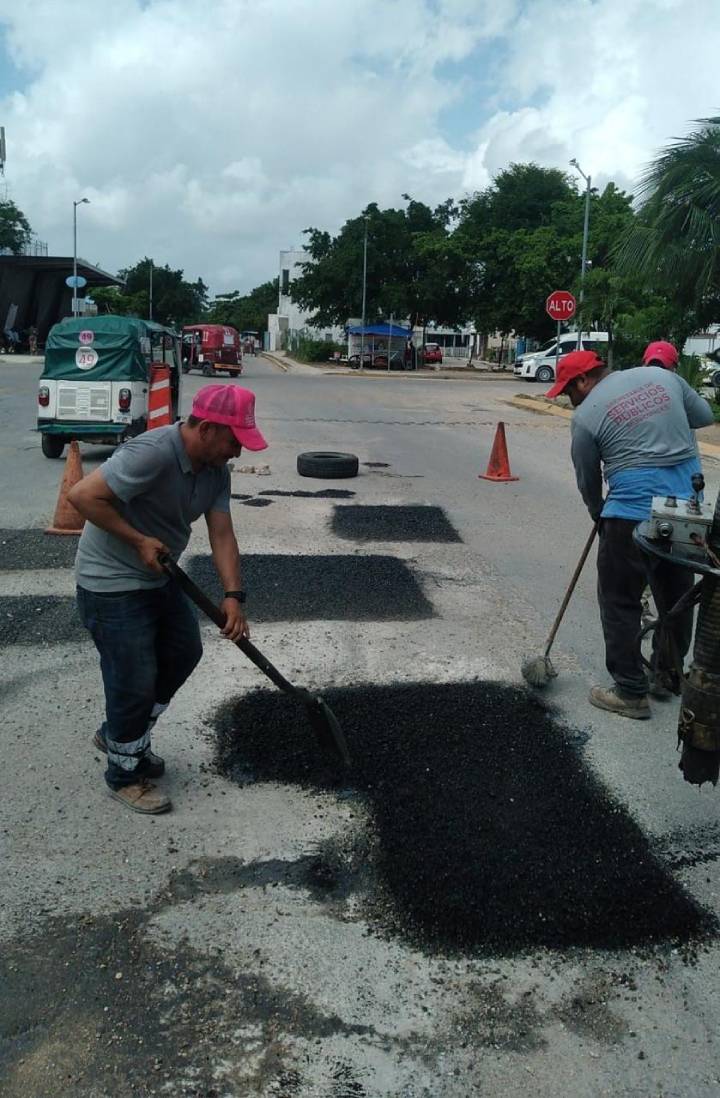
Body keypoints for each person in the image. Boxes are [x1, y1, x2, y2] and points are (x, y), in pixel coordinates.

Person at [68, 384, 268, 814]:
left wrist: (234, 595)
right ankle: (124, 772)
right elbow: (82, 496)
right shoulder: (153, 453)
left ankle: (123, 734)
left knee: (183, 652)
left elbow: (221, 532)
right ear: (208, 428)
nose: (238, 451)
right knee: (134, 678)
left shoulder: (216, 469)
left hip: (160, 579)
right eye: (235, 440)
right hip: (110, 582)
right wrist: (138, 540)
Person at [546, 350, 715, 720]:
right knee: (676, 598)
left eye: (567, 391)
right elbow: (704, 416)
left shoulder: (586, 418)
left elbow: (588, 479)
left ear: (583, 381)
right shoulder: (665, 379)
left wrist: (598, 514)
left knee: (620, 600)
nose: (567, 399)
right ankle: (665, 677)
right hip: (685, 507)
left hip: (630, 514)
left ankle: (630, 692)